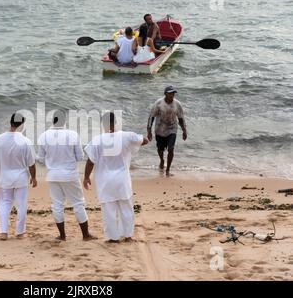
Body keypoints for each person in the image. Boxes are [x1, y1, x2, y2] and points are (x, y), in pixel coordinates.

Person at [83, 112, 148, 243]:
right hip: (122, 180)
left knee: (109, 210)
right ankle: (128, 236)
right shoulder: (126, 136)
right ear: (116, 122)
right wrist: (136, 142)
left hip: (105, 181)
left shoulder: (97, 140)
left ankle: (113, 238)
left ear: (103, 124)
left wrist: (86, 177)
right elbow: (145, 140)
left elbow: (90, 161)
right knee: (126, 208)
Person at [37, 110, 96, 241]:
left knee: (57, 205)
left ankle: (62, 236)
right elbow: (80, 156)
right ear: (65, 122)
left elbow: (40, 159)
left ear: (53, 121)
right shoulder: (73, 135)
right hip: (70, 174)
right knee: (78, 203)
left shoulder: (44, 136)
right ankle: (85, 235)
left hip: (53, 175)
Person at [0, 113, 37, 241]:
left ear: (10, 122)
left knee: (3, 204)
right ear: (22, 125)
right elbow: (31, 163)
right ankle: (20, 232)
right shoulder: (25, 141)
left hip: (4, 176)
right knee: (21, 205)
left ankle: (3, 232)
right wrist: (33, 178)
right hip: (21, 177)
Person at [147, 86, 187, 177]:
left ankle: (168, 169)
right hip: (159, 129)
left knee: (171, 148)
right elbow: (151, 117)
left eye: (173, 93)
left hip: (172, 128)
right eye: (170, 93)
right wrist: (149, 131)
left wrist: (184, 130)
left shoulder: (177, 104)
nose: (172, 95)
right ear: (165, 94)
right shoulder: (158, 103)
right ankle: (161, 160)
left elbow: (181, 118)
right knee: (160, 149)